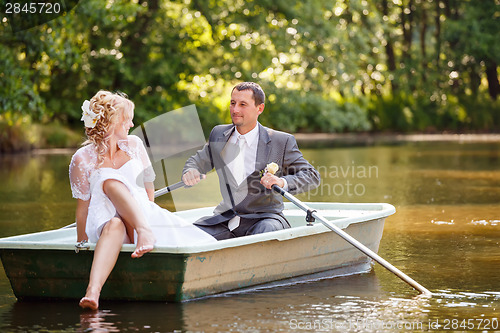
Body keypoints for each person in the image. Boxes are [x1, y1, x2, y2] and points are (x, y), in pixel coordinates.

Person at [69, 90, 215, 311]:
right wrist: (82, 243)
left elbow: (148, 191)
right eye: (127, 118)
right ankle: (93, 292)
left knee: (112, 186)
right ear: (113, 120)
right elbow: (83, 208)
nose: (131, 123)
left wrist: (145, 213)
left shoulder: (135, 145)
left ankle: (143, 229)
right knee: (110, 192)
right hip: (104, 224)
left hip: (141, 213)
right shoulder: (81, 159)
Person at [182, 82, 320, 240]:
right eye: (233, 103)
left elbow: (311, 176)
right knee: (190, 235)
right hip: (224, 219)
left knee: (262, 234)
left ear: (259, 108)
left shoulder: (281, 141)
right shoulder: (219, 134)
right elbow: (198, 161)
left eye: (243, 104)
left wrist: (281, 182)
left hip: (265, 219)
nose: (235, 110)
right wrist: (191, 171)